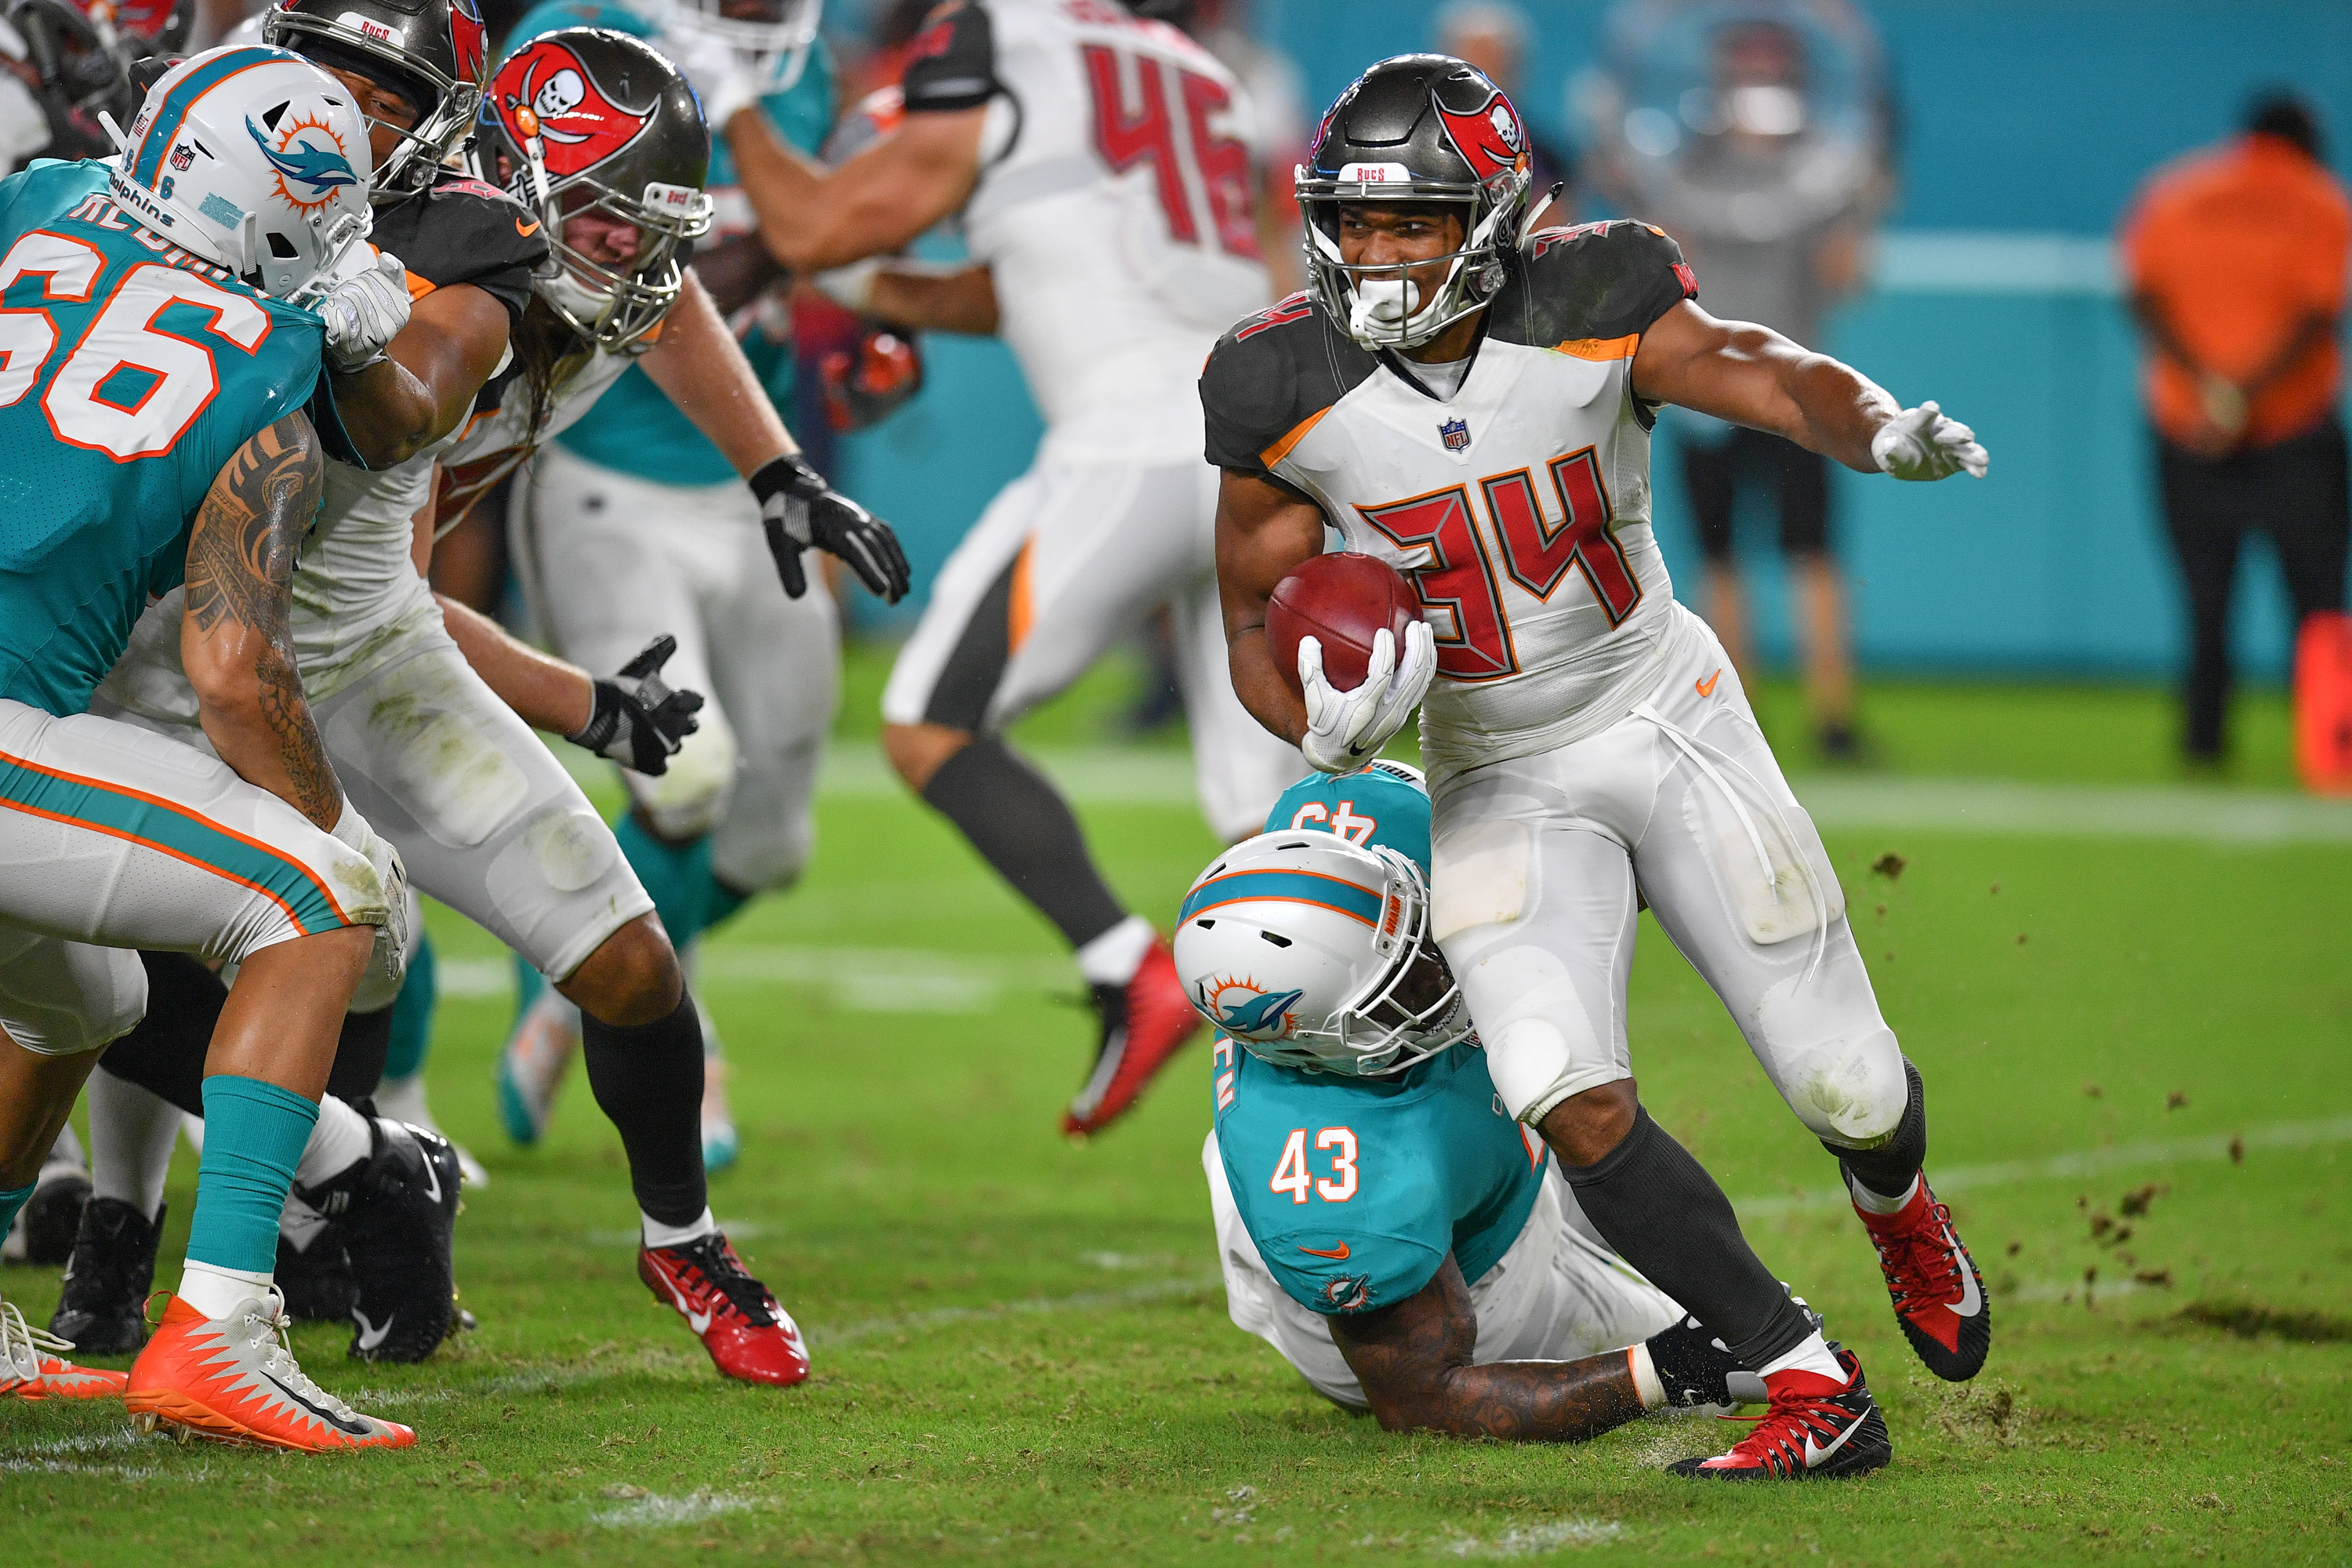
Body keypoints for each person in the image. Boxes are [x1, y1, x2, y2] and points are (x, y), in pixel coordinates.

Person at [74, 26, 906, 1388]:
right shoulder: (422, 257)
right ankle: (238, 1210)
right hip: (204, 659)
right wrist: (582, 699)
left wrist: (773, 471)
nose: (629, 259)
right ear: (508, 175)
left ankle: (679, 1238)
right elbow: (394, 469)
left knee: (628, 961)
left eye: (647, 230)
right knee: (173, 955)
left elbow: (667, 294)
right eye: (601, 222)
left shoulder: (581, 260)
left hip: (369, 648)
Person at [1204, 55, 1991, 1480]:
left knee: (1850, 1090)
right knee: (1557, 1079)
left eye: (1414, 225)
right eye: (1354, 223)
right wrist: (1311, 722)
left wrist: (1869, 423)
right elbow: (1255, 619)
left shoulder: (1595, 293)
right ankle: (1812, 1383)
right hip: (1493, 763)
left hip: (1660, 710)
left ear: (1494, 221)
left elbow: (1758, 365)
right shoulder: (1272, 380)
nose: (1376, 258)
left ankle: (1898, 1201)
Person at [702, 0, 1306, 1137]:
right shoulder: (1199, 67)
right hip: (1258, 442)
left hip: (1128, 441)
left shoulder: (1001, 32)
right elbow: (1049, 275)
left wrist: (729, 107)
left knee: (931, 719)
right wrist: (874, 291)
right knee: (1274, 834)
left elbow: (826, 223)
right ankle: (1356, 1130)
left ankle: (1127, 960)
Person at [0, 47, 413, 1448]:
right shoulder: (273, 371)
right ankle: (222, 1329)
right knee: (317, 900)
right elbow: (233, 673)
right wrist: (338, 829)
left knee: (84, 1000)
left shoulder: (41, 199)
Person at [1181, 761, 1802, 1437]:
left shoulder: (1370, 820)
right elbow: (1426, 1402)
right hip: (1472, 1289)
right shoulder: (1342, 1202)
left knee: (1629, 1174)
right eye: (1407, 986)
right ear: (1321, 1045)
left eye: (1418, 926)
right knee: (1746, 1360)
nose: (1441, 966)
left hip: (1469, 1155)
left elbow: (1552, 868)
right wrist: (1669, 1368)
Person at [491, 0, 844, 1180]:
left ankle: (581, 969)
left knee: (771, 843)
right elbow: (606, 261)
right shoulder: (582, 36)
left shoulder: (805, 68)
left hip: (747, 480)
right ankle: (644, 1012)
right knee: (684, 774)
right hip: (605, 475)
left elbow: (759, 259)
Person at [1609, 13, 1890, 758]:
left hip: (1797, 390)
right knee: (1720, 556)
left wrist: (1863, 205)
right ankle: (1741, 712)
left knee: (1813, 552)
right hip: (1710, 393)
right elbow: (1659, 255)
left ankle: (1835, 717)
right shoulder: (1687, 167)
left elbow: (1846, 276)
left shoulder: (1821, 171)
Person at [2122, 91, 2351, 765]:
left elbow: (2142, 295)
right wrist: (2244, 395)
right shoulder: (2321, 200)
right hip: (2293, 430)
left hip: (2188, 430)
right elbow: (2317, 316)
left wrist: (2207, 388)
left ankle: (2203, 744)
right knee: (2318, 601)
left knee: (2204, 601)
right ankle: (2332, 750)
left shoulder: (2176, 191)